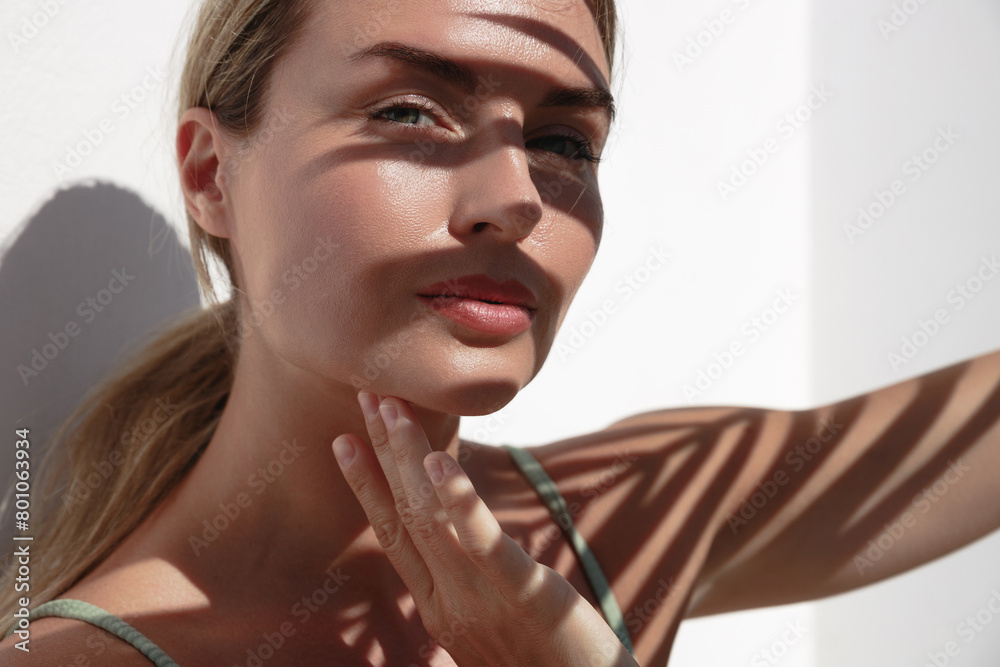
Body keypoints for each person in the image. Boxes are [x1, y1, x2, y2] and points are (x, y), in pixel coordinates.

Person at [2, 0, 999, 665]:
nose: (517, 198)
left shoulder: (620, 515)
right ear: (211, 176)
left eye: (565, 141)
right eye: (411, 113)